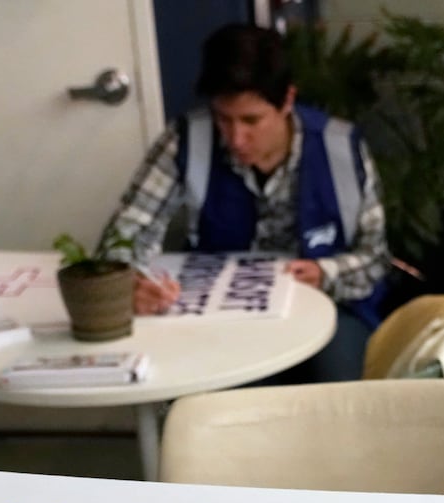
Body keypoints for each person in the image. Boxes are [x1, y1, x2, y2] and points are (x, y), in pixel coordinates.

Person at [99, 22, 389, 383]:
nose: (237, 138)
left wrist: (326, 273)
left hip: (332, 305)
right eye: (224, 118)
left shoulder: (341, 148)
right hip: (216, 311)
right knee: (210, 396)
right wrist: (131, 284)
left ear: (286, 101)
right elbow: (125, 233)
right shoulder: (186, 141)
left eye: (252, 120)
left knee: (342, 393)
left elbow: (375, 259)